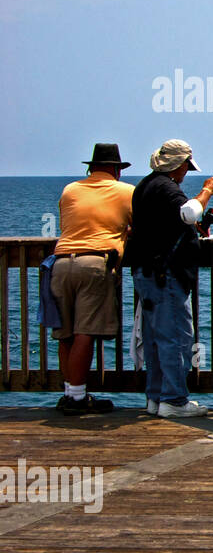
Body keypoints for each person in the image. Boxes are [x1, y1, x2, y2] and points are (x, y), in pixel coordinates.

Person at [123, 140, 213, 419]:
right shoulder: (166, 187)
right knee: (176, 337)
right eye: (187, 167)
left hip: (147, 273)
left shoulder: (145, 186)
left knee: (155, 337)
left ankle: (155, 398)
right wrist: (206, 192)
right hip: (165, 277)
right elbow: (189, 213)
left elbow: (164, 224)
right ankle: (174, 400)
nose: (186, 173)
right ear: (179, 165)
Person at [49, 143, 134, 416]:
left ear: (91, 167)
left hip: (61, 262)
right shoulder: (126, 192)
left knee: (65, 332)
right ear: (115, 170)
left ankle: (69, 391)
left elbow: (70, 225)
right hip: (95, 263)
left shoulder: (70, 190)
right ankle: (77, 398)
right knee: (85, 331)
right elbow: (139, 227)